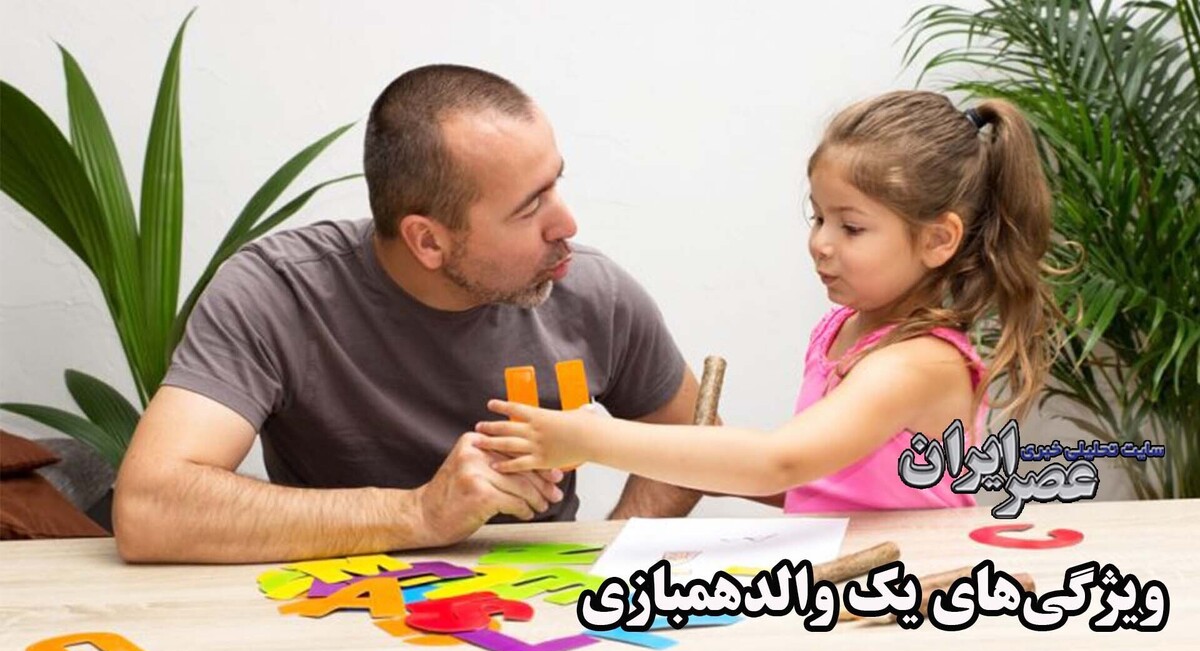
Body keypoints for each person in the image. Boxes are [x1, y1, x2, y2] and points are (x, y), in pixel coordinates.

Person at [113, 65, 704, 563]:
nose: (567, 224)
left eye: (556, 183)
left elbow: (694, 445)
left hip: (540, 617)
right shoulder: (278, 292)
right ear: (428, 241)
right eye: (530, 208)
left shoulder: (593, 292)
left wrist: (613, 558)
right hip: (335, 611)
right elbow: (149, 508)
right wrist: (418, 513)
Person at [475, 91, 1059, 512]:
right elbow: (812, 484)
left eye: (852, 227)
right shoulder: (843, 328)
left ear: (938, 240)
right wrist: (706, 459)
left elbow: (782, 461)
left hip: (915, 589)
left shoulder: (921, 362)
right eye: (818, 217)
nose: (821, 243)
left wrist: (587, 439)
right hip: (849, 583)